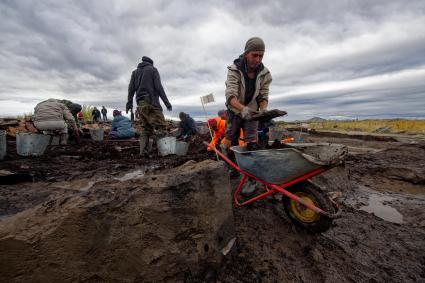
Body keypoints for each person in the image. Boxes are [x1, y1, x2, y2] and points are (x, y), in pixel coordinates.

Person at [224, 37, 271, 152]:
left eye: (261, 56)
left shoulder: (265, 74)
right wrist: (243, 109)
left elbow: (263, 95)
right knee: (230, 141)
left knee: (251, 144)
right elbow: (230, 96)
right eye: (254, 55)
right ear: (246, 54)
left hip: (252, 112)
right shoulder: (234, 70)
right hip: (234, 111)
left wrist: (263, 109)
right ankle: (230, 165)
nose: (258, 59)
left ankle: (249, 165)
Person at [126, 56, 172, 155]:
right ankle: (165, 152)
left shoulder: (134, 73)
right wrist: (167, 103)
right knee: (161, 127)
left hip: (141, 105)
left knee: (146, 129)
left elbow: (131, 89)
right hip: (152, 103)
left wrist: (129, 102)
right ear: (151, 63)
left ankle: (143, 152)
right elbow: (159, 87)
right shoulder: (152, 70)